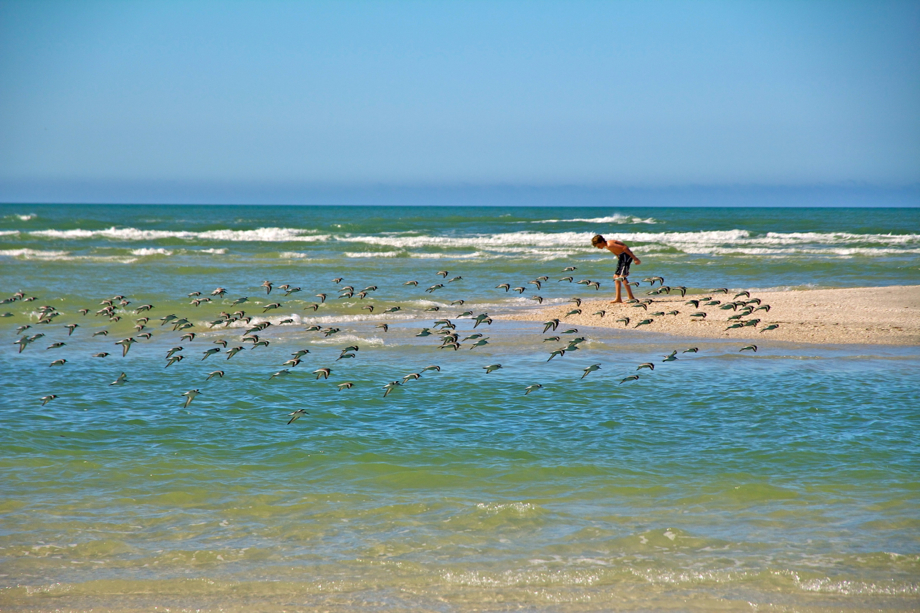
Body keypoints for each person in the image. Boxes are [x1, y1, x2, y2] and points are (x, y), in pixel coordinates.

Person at [591, 234, 641, 303]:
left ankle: (631, 297)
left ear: (602, 242)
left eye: (598, 246)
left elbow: (624, 248)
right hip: (621, 257)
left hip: (626, 256)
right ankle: (618, 298)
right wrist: (618, 257)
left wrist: (635, 258)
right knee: (616, 277)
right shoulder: (607, 246)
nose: (598, 248)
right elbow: (615, 251)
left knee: (622, 277)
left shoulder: (610, 245)